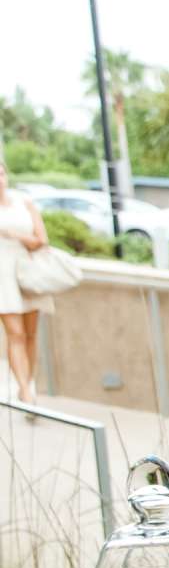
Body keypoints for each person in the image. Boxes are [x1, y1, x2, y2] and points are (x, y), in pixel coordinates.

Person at [0, 156, 58, 404]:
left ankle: (29, 383)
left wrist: (14, 235)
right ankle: (24, 391)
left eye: (1, 174)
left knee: (31, 333)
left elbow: (41, 240)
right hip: (2, 274)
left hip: (27, 271)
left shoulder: (24, 202)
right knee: (15, 333)